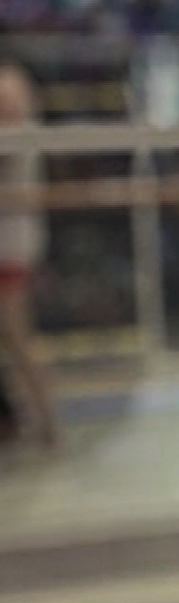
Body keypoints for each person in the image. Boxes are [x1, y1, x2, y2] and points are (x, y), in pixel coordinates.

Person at [0, 56, 58, 454]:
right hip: (12, 238)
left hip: (9, 243)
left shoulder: (10, 89)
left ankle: (47, 424)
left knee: (18, 337)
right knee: (15, 338)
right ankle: (27, 421)